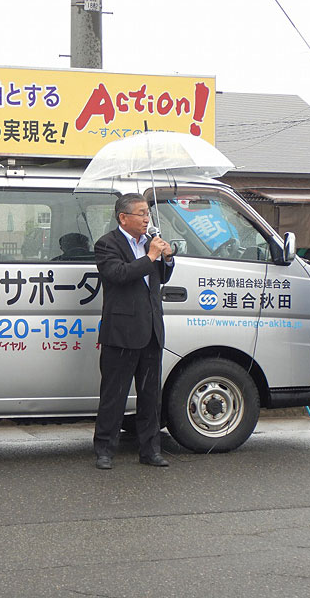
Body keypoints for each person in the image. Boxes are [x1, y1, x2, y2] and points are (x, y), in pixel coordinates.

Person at [93, 193, 174, 470]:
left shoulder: (149, 243)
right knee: (114, 395)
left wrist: (166, 258)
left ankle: (150, 450)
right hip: (122, 331)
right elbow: (119, 275)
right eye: (140, 213)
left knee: (151, 395)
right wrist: (151, 256)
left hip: (151, 329)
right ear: (123, 217)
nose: (146, 218)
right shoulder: (107, 244)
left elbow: (160, 277)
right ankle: (105, 450)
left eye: (147, 213)